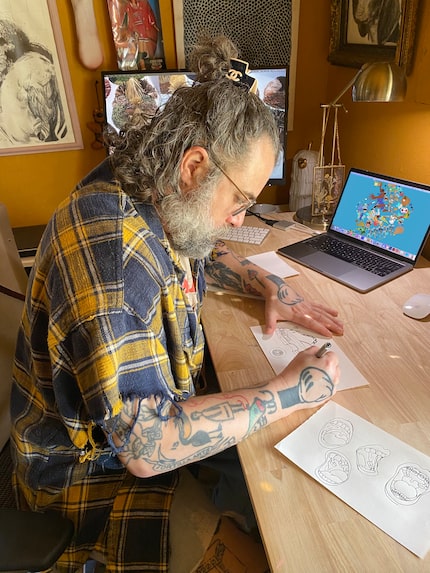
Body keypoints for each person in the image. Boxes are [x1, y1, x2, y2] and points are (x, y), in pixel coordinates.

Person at [10, 35, 343, 572]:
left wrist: (266, 283)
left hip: (129, 438)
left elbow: (188, 248)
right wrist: (290, 390)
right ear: (193, 166)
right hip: (88, 481)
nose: (238, 221)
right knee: (279, 539)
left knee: (272, 491)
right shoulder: (113, 265)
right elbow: (145, 447)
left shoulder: (147, 184)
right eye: (240, 201)